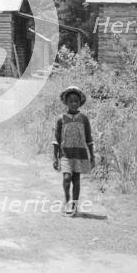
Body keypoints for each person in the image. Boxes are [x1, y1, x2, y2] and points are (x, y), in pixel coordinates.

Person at [53, 86, 95, 216]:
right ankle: (67, 203)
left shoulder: (84, 118)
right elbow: (56, 139)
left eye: (76, 101)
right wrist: (55, 157)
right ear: (66, 102)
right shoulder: (61, 119)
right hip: (65, 153)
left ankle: (75, 206)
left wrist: (92, 155)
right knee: (67, 178)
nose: (73, 103)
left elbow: (89, 138)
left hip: (79, 154)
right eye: (70, 101)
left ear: (80, 102)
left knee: (76, 179)